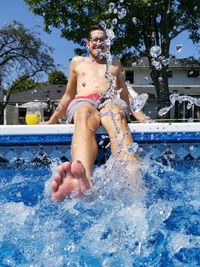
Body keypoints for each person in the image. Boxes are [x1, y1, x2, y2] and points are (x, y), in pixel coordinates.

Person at [45, 25, 150, 202]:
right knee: (83, 113)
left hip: (109, 101)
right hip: (84, 101)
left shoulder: (115, 64)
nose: (99, 43)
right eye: (95, 39)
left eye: (103, 39)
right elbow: (69, 95)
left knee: (116, 113)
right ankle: (82, 182)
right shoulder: (77, 62)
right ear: (88, 44)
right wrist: (52, 120)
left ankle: (131, 182)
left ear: (108, 44)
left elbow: (124, 95)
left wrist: (142, 117)